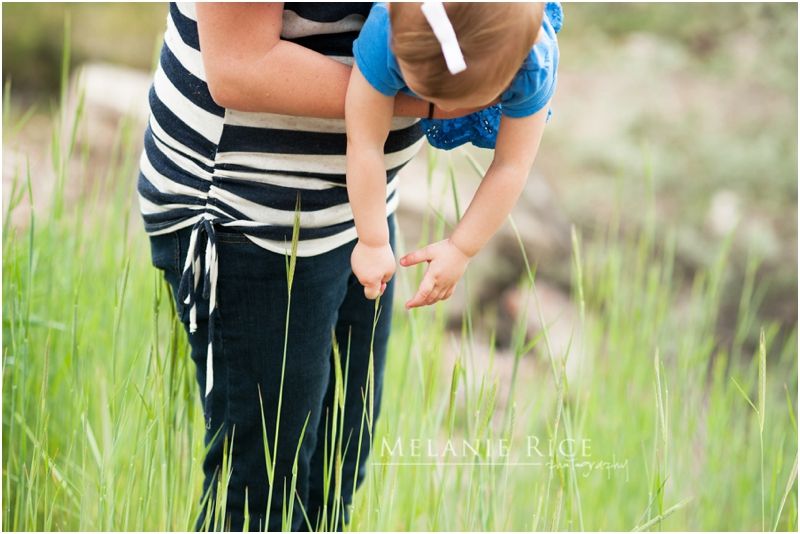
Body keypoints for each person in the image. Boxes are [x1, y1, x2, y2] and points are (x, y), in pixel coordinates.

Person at [137, 2, 480, 531]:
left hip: (360, 214)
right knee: (263, 499)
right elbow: (239, 67)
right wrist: (434, 103)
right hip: (248, 215)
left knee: (337, 472)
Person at [346, 2, 562, 308]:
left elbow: (511, 166)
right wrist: (372, 240)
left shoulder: (532, 63)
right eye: (427, 96)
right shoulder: (388, 31)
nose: (442, 110)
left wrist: (461, 249)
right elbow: (365, 142)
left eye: (459, 101)